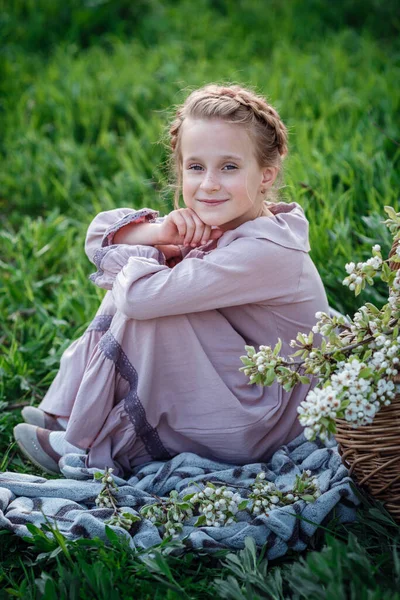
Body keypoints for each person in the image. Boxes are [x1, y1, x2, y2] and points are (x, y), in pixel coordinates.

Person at [14, 83, 330, 477]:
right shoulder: (229, 221)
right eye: (196, 167)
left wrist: (156, 258)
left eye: (229, 167)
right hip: (245, 386)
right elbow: (98, 237)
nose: (209, 183)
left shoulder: (264, 250)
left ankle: (86, 442)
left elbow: (139, 299)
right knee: (150, 281)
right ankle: (69, 416)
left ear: (267, 175)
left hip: (268, 419)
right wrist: (160, 235)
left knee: (150, 300)